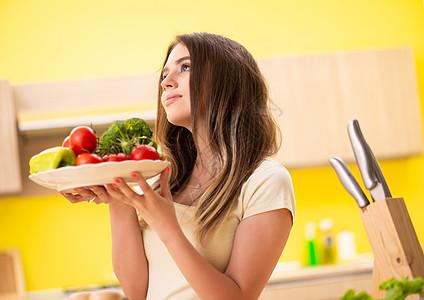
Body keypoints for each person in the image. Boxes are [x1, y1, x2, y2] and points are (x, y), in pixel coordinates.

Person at [62, 32, 296, 300]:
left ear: (227, 81)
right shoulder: (161, 177)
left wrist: (168, 228)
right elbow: (137, 291)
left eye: (185, 67)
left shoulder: (266, 181)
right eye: (164, 75)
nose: (167, 83)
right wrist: (119, 198)